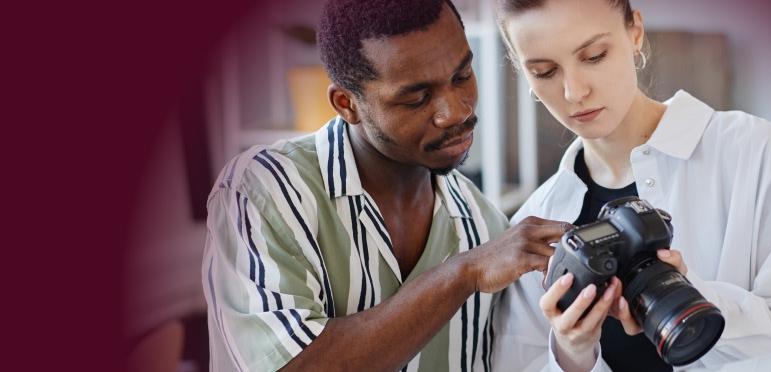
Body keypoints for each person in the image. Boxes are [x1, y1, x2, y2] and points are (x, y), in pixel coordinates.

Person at [200, 1, 572, 371]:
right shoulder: (262, 193)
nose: (456, 112)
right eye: (416, 98)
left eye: (462, 77)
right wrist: (462, 274)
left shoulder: (481, 221)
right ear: (347, 104)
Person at [489, 0, 771, 371]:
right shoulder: (536, 223)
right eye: (546, 71)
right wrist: (571, 354)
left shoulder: (756, 153)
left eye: (594, 56)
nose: (574, 92)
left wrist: (693, 298)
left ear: (635, 33)